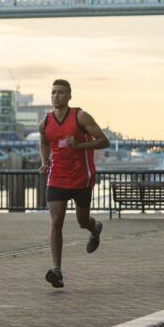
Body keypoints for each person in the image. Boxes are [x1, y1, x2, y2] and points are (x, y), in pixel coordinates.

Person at [39, 79, 110, 288]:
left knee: (82, 221)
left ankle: (95, 228)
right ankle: (57, 271)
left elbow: (104, 141)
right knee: (56, 220)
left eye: (61, 92)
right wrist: (45, 162)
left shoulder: (80, 116)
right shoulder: (45, 122)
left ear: (69, 96)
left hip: (82, 178)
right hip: (57, 177)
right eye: (53, 92)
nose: (56, 96)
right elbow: (44, 141)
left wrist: (80, 145)